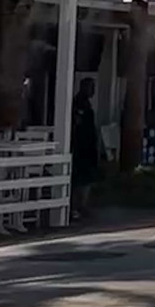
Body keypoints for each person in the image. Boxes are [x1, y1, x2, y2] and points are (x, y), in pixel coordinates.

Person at [70, 77, 102, 218]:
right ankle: (76, 206)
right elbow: (77, 125)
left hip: (88, 146)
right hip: (80, 146)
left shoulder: (87, 105)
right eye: (90, 87)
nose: (93, 90)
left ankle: (82, 205)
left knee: (87, 178)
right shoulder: (78, 104)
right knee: (79, 178)